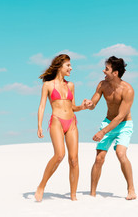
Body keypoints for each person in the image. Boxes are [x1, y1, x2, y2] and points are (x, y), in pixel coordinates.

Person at [35, 54, 86, 202]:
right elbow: (42, 105)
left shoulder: (71, 85)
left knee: (74, 160)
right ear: (59, 66)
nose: (71, 68)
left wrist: (82, 107)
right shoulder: (48, 85)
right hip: (57, 121)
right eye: (68, 65)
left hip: (71, 122)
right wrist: (39, 125)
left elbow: (73, 107)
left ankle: (73, 195)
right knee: (59, 155)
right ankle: (41, 186)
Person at [85, 56, 137, 200]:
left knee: (121, 154)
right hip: (108, 122)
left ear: (115, 73)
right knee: (99, 158)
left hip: (124, 125)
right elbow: (94, 102)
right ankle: (92, 193)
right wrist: (90, 104)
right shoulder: (102, 84)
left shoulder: (128, 90)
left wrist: (103, 131)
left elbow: (120, 117)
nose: (103, 71)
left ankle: (131, 189)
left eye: (106, 69)